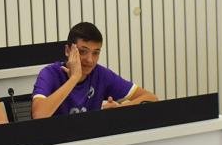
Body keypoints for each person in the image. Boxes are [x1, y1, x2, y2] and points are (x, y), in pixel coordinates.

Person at [30, 22, 158, 118]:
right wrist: (74, 78)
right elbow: (39, 115)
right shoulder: (50, 73)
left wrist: (121, 108)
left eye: (96, 53)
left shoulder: (101, 74)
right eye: (83, 51)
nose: (90, 60)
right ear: (68, 51)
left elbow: (151, 98)